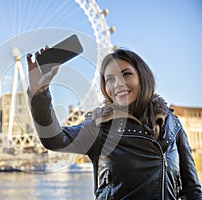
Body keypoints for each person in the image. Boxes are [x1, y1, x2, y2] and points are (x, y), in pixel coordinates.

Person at [27, 47, 202, 199]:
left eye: (126, 74)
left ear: (143, 77)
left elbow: (192, 189)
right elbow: (55, 139)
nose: (117, 84)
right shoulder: (99, 127)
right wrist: (39, 92)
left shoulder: (173, 125)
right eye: (110, 79)